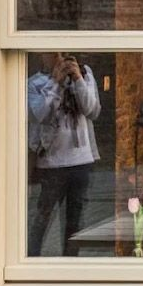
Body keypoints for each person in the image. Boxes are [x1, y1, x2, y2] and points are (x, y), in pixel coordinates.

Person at [27, 53, 101, 256]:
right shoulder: (34, 83)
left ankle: (70, 262)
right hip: (51, 164)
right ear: (44, 57)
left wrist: (77, 79)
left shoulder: (85, 74)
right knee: (42, 217)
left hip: (81, 161)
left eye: (63, 55)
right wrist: (56, 84)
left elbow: (92, 110)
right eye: (55, 55)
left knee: (75, 221)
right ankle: (31, 259)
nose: (60, 60)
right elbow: (39, 114)